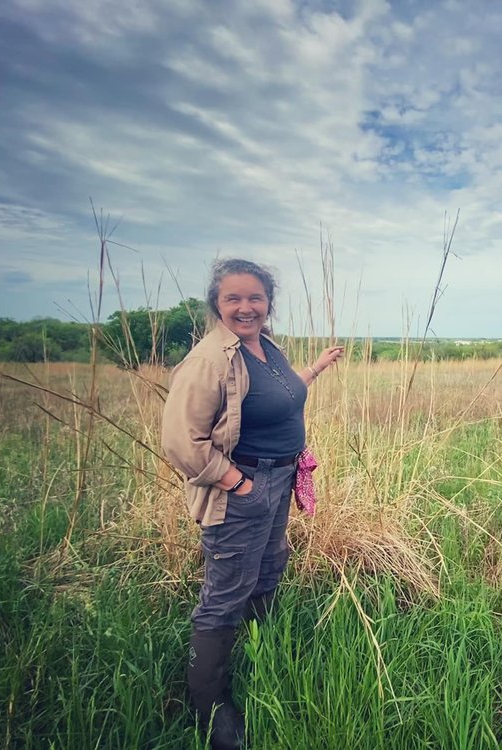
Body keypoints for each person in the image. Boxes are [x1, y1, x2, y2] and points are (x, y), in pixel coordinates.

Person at [161, 258, 344, 750]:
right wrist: (239, 483)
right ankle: (210, 705)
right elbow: (181, 440)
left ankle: (259, 653)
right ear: (217, 305)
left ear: (268, 303)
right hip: (242, 487)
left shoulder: (266, 349)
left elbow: (283, 395)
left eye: (255, 298)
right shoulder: (210, 360)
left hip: (280, 479)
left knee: (267, 568)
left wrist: (317, 368)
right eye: (233, 299)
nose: (246, 307)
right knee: (225, 590)